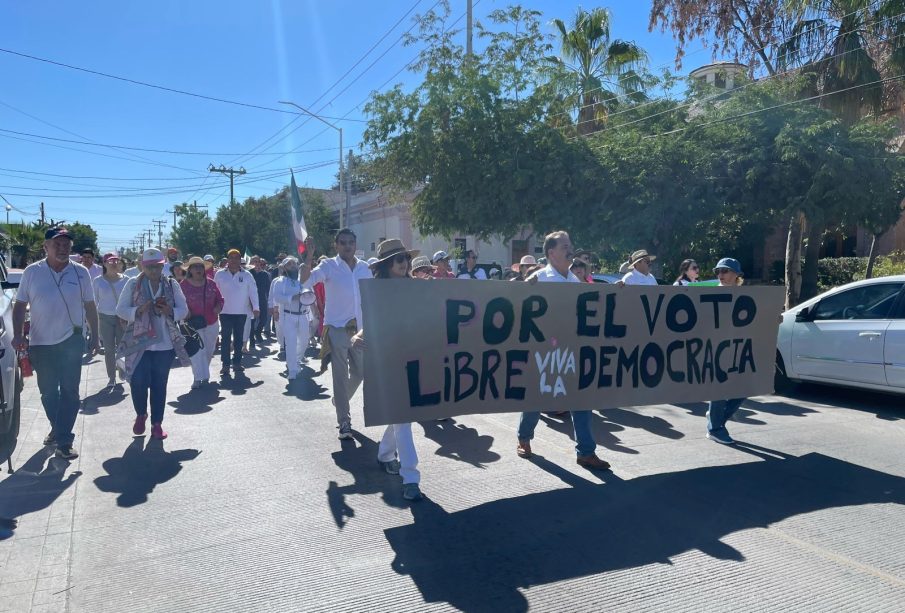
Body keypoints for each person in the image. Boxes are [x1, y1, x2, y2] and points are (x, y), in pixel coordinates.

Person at [516, 231, 610, 470]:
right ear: (551, 253)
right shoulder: (538, 278)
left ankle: (586, 452)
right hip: (544, 349)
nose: (570, 249)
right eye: (565, 246)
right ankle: (524, 438)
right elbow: (517, 306)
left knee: (581, 398)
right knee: (537, 396)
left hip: (571, 348)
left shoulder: (574, 280)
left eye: (570, 244)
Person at [12, 227, 99, 460]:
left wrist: (96, 336)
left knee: (70, 391)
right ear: (46, 247)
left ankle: (63, 440)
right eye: (57, 244)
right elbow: (20, 305)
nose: (63, 248)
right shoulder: (32, 272)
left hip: (72, 340)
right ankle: (59, 429)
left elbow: (90, 305)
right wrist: (19, 334)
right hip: (41, 343)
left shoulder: (81, 273)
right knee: (49, 392)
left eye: (67, 245)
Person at [352, 239, 423, 501]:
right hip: (386, 359)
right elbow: (369, 323)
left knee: (403, 416)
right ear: (386, 265)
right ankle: (411, 476)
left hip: (413, 357)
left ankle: (384, 454)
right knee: (403, 417)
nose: (404, 263)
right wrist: (357, 337)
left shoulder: (417, 289)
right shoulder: (375, 292)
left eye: (405, 257)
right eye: (398, 259)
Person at [299, 229, 372, 440]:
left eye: (351, 242)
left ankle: (340, 400)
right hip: (338, 329)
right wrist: (309, 257)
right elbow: (305, 281)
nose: (347, 246)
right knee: (339, 377)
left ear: (355, 243)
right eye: (343, 243)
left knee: (360, 373)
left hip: (359, 330)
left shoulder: (365, 268)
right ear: (336, 245)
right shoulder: (329, 266)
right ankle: (344, 421)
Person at [116, 248, 190, 439]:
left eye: (157, 267)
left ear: (162, 265)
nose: (153, 271)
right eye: (149, 267)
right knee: (138, 381)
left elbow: (184, 309)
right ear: (142, 266)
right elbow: (121, 309)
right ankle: (141, 414)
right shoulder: (133, 284)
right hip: (140, 343)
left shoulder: (172, 285)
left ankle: (157, 423)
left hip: (164, 345)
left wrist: (170, 310)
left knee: (159, 384)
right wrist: (137, 311)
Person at [706, 257, 747, 445]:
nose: (720, 275)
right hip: (715, 349)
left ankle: (716, 418)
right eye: (718, 271)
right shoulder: (709, 293)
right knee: (719, 389)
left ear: (736, 275)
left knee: (744, 388)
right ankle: (715, 428)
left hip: (737, 349)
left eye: (725, 271)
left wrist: (772, 318)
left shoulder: (747, 297)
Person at [214, 248, 259, 377]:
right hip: (225, 312)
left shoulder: (247, 275)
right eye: (231, 258)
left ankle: (237, 362)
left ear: (240, 260)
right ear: (227, 259)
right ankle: (225, 365)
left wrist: (256, 307)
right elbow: (215, 292)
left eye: (236, 258)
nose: (234, 260)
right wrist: (214, 307)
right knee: (226, 339)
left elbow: (253, 292)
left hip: (241, 312)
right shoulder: (220, 274)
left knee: (239, 339)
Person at [181, 256, 224, 389]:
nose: (198, 269)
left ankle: (203, 374)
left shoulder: (211, 283)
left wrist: (218, 307)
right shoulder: (183, 285)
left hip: (211, 322)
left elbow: (220, 299)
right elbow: (178, 303)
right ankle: (198, 377)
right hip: (192, 324)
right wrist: (185, 312)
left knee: (208, 351)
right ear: (190, 270)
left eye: (200, 267)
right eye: (195, 267)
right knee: (197, 352)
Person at [272, 257, 313, 381]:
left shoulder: (302, 280)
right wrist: (292, 297)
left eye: (295, 263)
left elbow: (310, 295)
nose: (293, 266)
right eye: (290, 264)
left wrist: (311, 313)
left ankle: (295, 360)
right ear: (284, 268)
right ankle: (293, 370)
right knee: (291, 343)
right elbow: (277, 297)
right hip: (288, 315)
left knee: (305, 341)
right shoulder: (280, 281)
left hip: (303, 314)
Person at [92, 253, 128, 388]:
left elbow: (130, 300)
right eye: (110, 261)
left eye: (116, 261)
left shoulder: (126, 280)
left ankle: (122, 369)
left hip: (122, 318)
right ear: (104, 264)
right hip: (104, 317)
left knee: (122, 347)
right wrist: (92, 324)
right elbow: (94, 303)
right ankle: (111, 377)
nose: (114, 264)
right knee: (108, 349)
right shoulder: (98, 281)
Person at [250, 256, 272, 347]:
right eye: (254, 261)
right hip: (250, 300)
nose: (256, 263)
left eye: (258, 261)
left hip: (262, 299)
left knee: (264, 319)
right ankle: (251, 339)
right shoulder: (248, 273)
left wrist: (270, 300)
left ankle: (258, 332)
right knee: (252, 320)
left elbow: (268, 288)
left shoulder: (265, 274)